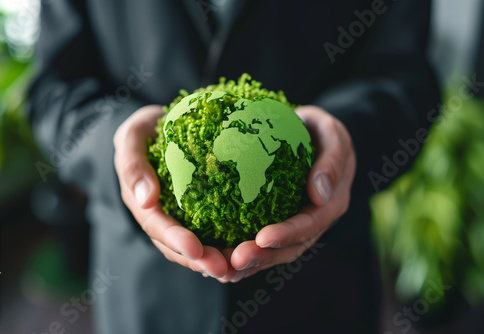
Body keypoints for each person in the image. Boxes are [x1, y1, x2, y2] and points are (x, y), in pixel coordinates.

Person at [28, 0, 440, 333]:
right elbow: (53, 91)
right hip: (145, 293)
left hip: (318, 289)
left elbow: (408, 77)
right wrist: (115, 141)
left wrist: (345, 135)